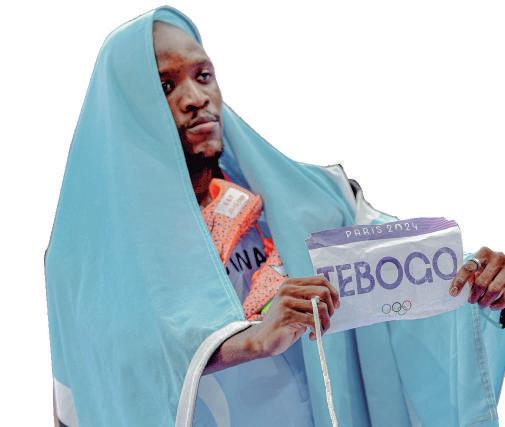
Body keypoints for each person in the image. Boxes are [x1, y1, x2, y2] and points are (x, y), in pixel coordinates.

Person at [46, 6, 505, 427]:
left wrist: (475, 279)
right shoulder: (87, 260)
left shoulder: (317, 201)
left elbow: (402, 279)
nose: (195, 98)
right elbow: (105, 376)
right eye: (165, 86)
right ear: (127, 111)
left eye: (203, 76)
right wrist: (245, 341)